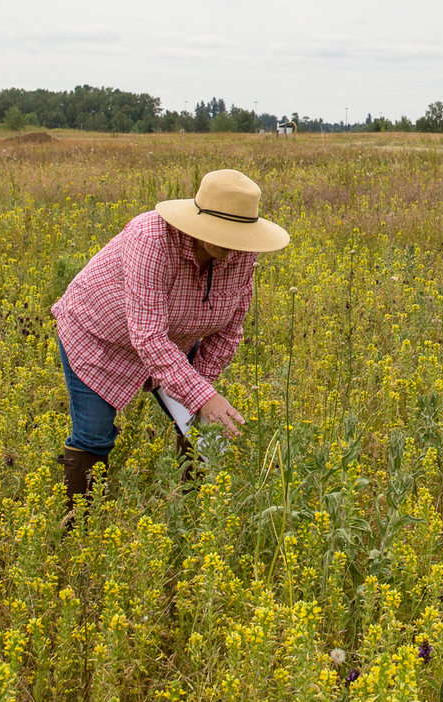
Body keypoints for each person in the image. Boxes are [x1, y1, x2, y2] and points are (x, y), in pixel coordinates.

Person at [51, 169, 289, 530]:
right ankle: (76, 532)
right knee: (94, 435)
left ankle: (193, 522)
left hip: (170, 342)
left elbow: (229, 329)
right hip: (99, 336)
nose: (232, 246)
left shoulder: (241, 256)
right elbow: (146, 335)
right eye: (223, 234)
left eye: (240, 236)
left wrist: (197, 395)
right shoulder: (152, 238)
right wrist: (201, 396)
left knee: (202, 430)